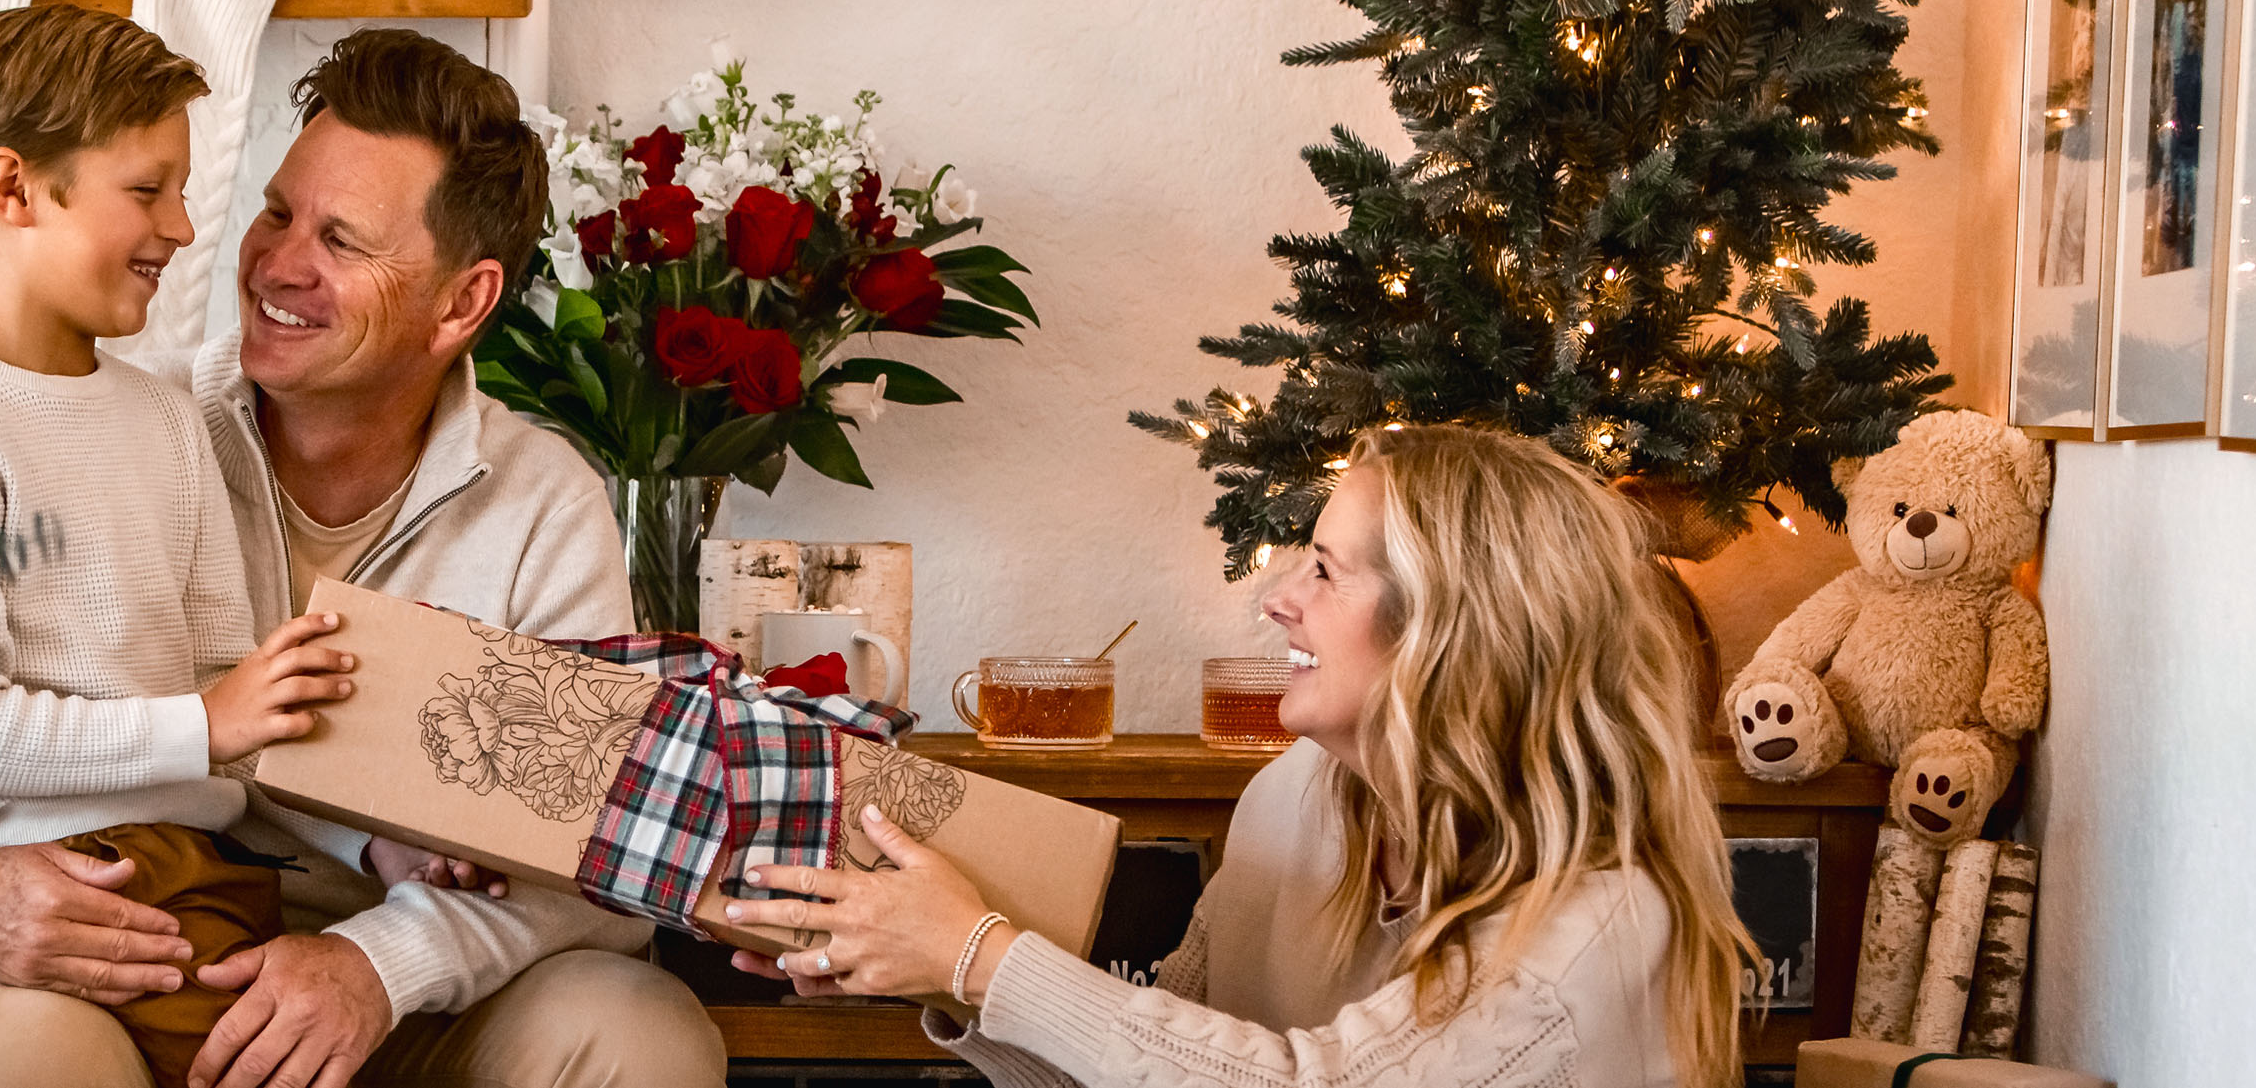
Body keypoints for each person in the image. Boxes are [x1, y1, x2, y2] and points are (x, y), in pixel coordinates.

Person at [0, 25, 729, 1088]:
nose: (274, 263)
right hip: (127, 958)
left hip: (416, 1002)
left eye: (340, 240)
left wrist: (377, 962)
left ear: (463, 302)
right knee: (17, 1050)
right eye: (277, 212)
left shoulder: (543, 507)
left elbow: (595, 846)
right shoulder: (101, 422)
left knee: (634, 1025)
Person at [725, 424, 1760, 1088]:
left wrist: (979, 953)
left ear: (1453, 629)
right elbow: (1161, 1061)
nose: (1275, 598)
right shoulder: (1293, 798)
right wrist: (929, 969)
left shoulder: (1597, 928)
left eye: (1322, 568)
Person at [0, 4, 392, 1086]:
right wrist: (201, 722)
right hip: (67, 901)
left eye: (182, 190)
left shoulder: (166, 417)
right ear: (11, 191)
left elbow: (233, 714)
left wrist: (377, 845)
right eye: (145, 190)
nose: (184, 227)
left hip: (214, 885)